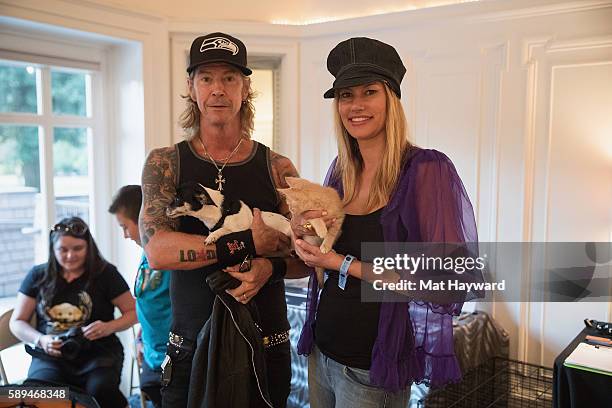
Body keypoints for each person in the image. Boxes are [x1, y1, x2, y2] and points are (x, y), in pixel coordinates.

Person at [291, 37, 482, 407]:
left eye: (369, 92)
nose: (356, 105)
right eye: (346, 95)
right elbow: (327, 251)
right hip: (321, 352)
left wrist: (341, 263)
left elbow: (445, 280)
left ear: (391, 98)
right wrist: (306, 236)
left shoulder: (426, 170)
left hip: (370, 369)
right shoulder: (341, 171)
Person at [139, 32, 301, 408]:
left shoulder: (278, 168)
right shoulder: (165, 163)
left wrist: (268, 268)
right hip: (191, 343)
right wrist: (249, 244)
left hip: (266, 340)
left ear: (245, 87)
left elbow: (305, 258)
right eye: (207, 77)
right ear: (191, 87)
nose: (218, 89)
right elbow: (159, 252)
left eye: (229, 78)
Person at [9, 216, 136, 408]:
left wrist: (108, 327)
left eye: (77, 249)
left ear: (88, 248)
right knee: (41, 395)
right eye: (63, 249)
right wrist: (41, 340)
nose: (70, 256)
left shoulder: (106, 273)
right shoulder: (38, 275)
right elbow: (17, 322)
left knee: (100, 391)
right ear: (53, 249)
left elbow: (134, 312)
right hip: (51, 355)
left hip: (98, 352)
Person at [109, 185, 172, 407]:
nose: (125, 235)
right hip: (151, 352)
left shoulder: (170, 256)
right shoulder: (147, 253)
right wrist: (141, 337)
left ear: (142, 218)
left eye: (125, 227)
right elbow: (149, 301)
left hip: (173, 358)